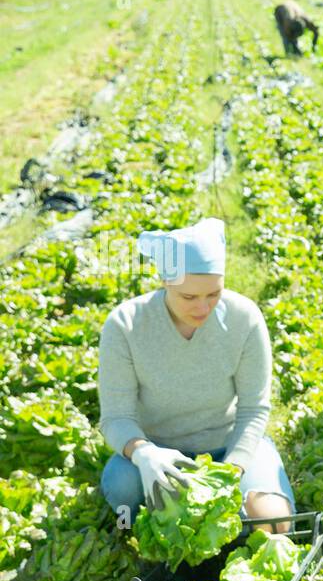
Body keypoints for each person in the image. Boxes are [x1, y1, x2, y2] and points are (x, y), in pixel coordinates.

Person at [98, 217, 296, 532]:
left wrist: (229, 472)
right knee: (124, 491)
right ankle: (136, 534)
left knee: (274, 521)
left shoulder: (244, 319)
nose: (203, 307)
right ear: (164, 281)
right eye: (189, 297)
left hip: (227, 445)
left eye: (213, 294)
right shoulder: (126, 325)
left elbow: (253, 409)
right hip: (158, 452)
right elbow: (115, 417)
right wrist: (144, 453)